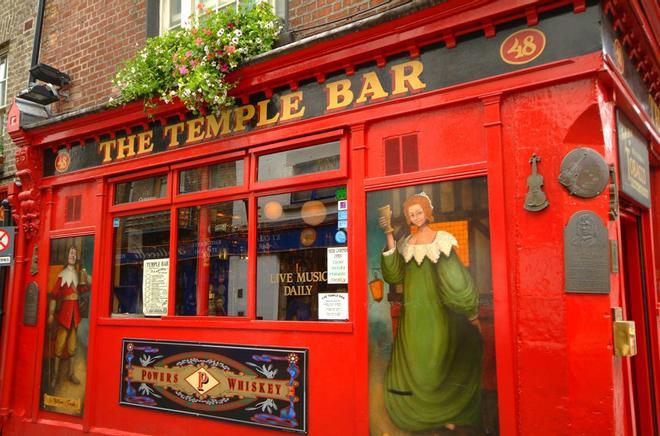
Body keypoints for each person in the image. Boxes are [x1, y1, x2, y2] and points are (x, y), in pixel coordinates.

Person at [379, 192, 482, 432]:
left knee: (436, 362)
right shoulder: (406, 244)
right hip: (413, 317)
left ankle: (446, 414)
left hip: (438, 314)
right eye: (411, 214)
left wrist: (470, 311)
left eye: (419, 212)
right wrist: (389, 234)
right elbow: (393, 275)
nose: (415, 217)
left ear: (427, 212)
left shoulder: (441, 240)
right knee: (417, 363)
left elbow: (455, 280)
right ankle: (423, 416)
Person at [48, 246, 90, 389]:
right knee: (59, 346)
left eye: (74, 253)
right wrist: (51, 314)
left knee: (72, 346)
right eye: (70, 253)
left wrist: (87, 279)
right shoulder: (61, 275)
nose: (72, 255)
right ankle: (55, 375)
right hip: (65, 315)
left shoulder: (78, 274)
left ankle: (71, 373)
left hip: (75, 314)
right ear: (67, 256)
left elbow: (83, 289)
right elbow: (54, 296)